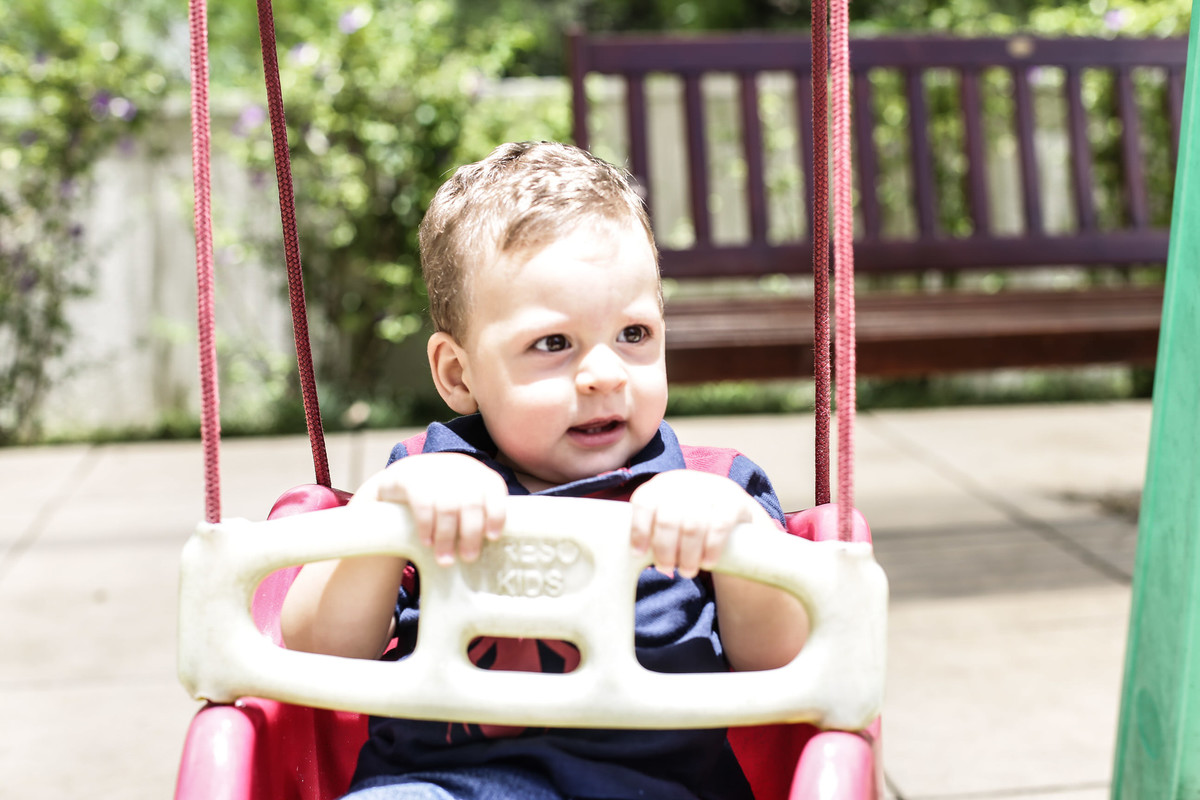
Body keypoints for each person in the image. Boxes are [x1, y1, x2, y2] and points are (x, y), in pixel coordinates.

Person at [280, 141, 809, 800]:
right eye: (553, 345)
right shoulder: (425, 480)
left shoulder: (715, 487)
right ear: (457, 373)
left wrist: (732, 542)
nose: (605, 374)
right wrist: (387, 509)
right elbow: (310, 653)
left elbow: (790, 668)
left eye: (634, 335)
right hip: (442, 785)